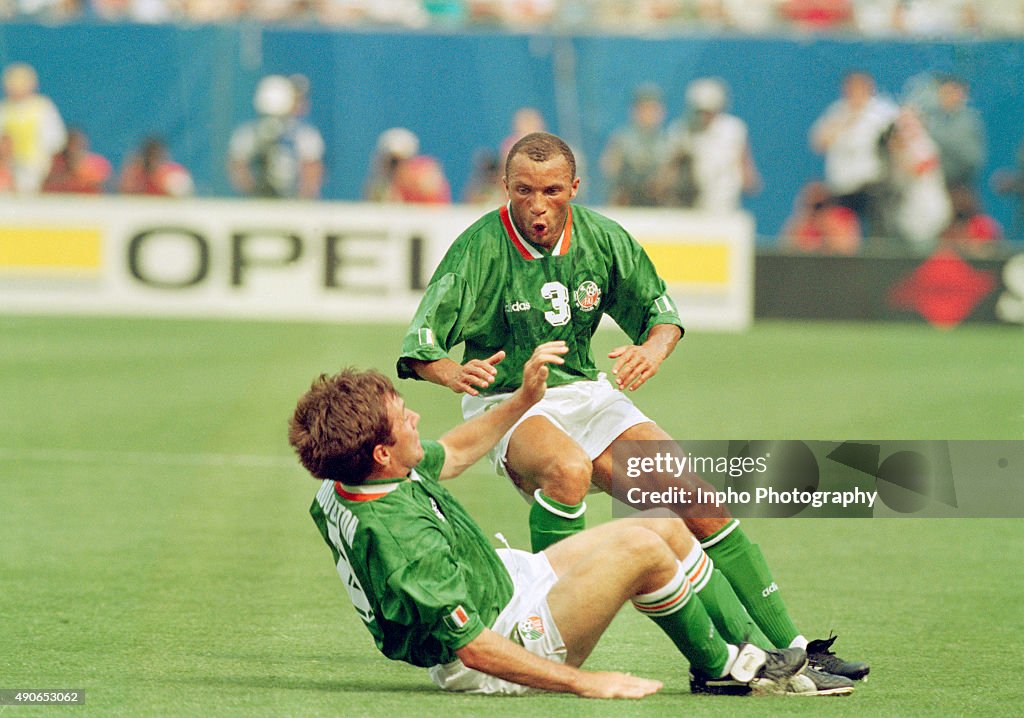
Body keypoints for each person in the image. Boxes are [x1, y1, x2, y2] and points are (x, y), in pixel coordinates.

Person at [396, 132, 869, 683]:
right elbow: (420, 345)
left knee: (695, 499)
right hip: (508, 400)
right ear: (505, 187)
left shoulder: (602, 239)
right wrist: (454, 372)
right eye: (523, 190)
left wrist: (652, 349)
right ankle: (548, 632)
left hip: (585, 393)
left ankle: (789, 650)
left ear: (574, 186)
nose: (538, 204)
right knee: (567, 470)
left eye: (552, 190)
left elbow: (662, 314)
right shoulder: (478, 248)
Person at [289, 344, 852, 697]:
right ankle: (727, 670)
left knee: (662, 524)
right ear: (381, 453)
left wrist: (522, 400)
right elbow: (475, 649)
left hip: (504, 584)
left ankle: (751, 653)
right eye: (402, 419)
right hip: (500, 647)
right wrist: (587, 683)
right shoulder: (401, 538)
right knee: (644, 550)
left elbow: (455, 451)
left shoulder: (358, 471)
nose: (414, 416)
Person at [810, 70, 899, 239]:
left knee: (878, 230)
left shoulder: (883, 112)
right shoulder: (837, 111)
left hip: (872, 185)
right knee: (841, 231)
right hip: (842, 186)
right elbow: (819, 143)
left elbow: (896, 141)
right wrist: (847, 119)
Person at [662, 77, 760, 213]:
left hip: (724, 202)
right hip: (689, 206)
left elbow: (745, 165)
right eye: (699, 111)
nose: (704, 116)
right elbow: (671, 168)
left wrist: (749, 180)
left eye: (709, 111)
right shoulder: (680, 131)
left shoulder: (734, 129)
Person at [227, 74, 325, 199]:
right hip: (283, 203)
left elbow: (238, 168)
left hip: (271, 202)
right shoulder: (304, 135)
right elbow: (312, 171)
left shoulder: (247, 133)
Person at [599, 83, 670, 207]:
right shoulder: (622, 140)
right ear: (634, 111)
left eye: (652, 108)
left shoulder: (669, 141)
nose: (648, 114)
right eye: (644, 108)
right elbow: (609, 168)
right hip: (628, 203)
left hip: (659, 205)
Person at [0, 62, 66, 194]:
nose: (17, 87)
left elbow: (56, 140)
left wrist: (45, 162)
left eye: (21, 83)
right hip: (9, 166)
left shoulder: (42, 108)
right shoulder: (4, 109)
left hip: (36, 166)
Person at [364, 127, 452, 204]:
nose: (395, 166)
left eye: (398, 161)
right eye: (391, 162)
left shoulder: (425, 178)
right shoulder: (381, 186)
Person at [781, 180, 862, 255]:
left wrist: (825, 225)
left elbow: (847, 249)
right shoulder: (801, 223)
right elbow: (786, 248)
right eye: (813, 205)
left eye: (820, 205)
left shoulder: (842, 217)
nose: (817, 211)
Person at [41, 127, 112, 194]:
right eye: (71, 147)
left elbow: (105, 189)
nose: (74, 151)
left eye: (79, 146)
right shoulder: (54, 166)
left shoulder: (95, 168)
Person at [119, 135, 194, 196]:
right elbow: (125, 192)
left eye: (157, 157)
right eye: (150, 156)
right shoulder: (137, 173)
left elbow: (183, 191)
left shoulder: (172, 173)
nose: (154, 161)